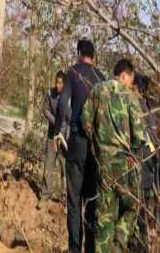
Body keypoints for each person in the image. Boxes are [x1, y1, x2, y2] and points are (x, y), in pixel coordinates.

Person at [81, 58, 145, 253]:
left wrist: (98, 146)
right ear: (124, 75)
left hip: (104, 165)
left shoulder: (97, 90)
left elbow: (86, 122)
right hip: (125, 164)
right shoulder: (130, 97)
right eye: (130, 80)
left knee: (104, 218)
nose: (129, 84)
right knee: (132, 207)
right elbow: (139, 136)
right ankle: (117, 247)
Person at [54, 38, 105, 253]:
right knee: (92, 201)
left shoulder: (73, 73)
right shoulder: (101, 78)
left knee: (74, 202)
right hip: (96, 148)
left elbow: (62, 107)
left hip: (76, 143)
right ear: (94, 57)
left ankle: (75, 250)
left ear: (78, 54)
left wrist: (58, 132)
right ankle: (91, 249)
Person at [129, 72, 157, 253]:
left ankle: (139, 247)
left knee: (136, 214)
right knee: (143, 213)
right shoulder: (149, 108)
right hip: (148, 170)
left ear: (135, 88)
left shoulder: (135, 106)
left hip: (139, 169)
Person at [39, 71, 67, 204]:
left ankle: (65, 199)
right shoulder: (50, 93)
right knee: (48, 166)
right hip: (52, 135)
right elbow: (45, 109)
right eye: (57, 82)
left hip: (65, 138)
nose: (58, 85)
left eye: (61, 83)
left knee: (65, 169)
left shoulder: (69, 96)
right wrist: (54, 122)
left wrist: (64, 130)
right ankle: (45, 195)